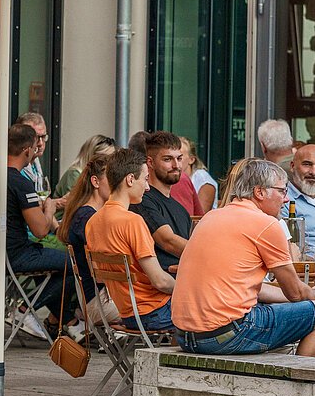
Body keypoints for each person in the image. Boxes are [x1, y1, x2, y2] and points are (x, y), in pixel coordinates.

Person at [172, 160, 315, 357]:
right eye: (281, 191)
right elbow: (295, 293)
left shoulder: (211, 216)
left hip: (185, 337)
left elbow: (248, 287)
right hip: (228, 334)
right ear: (259, 192)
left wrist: (310, 292)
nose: (286, 199)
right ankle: (299, 384)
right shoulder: (266, 224)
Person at [85, 148, 175, 331]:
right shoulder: (132, 222)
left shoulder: (93, 222)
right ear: (130, 179)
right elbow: (160, 281)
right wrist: (190, 286)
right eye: (145, 179)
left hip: (127, 313)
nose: (148, 187)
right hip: (154, 312)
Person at [6, 124, 77, 339]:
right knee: (75, 263)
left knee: (49, 262)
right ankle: (24, 311)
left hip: (5, 252)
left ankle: (63, 321)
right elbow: (40, 230)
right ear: (28, 150)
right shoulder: (20, 183)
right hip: (16, 255)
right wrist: (50, 208)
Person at [57, 155, 121, 326]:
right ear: (95, 181)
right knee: (168, 306)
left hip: (98, 299)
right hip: (102, 302)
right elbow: (100, 271)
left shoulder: (87, 214)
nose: (118, 185)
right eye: (112, 179)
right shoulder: (88, 218)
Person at [129, 131, 192, 272]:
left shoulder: (180, 210)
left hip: (184, 282)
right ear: (150, 162)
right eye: (168, 159)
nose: (176, 165)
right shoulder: (142, 200)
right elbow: (168, 241)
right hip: (160, 289)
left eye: (179, 158)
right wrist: (208, 254)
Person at [53, 134, 116, 199]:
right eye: (105, 158)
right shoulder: (75, 174)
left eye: (112, 158)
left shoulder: (102, 176)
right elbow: (77, 203)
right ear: (91, 155)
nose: (109, 162)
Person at [180, 136, 218, 211]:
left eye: (179, 157)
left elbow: (199, 217)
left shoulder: (204, 181)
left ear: (191, 160)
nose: (174, 161)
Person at [15, 112, 49, 194]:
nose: (40, 143)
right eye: (36, 138)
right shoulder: (17, 167)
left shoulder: (36, 163)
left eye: (43, 137)